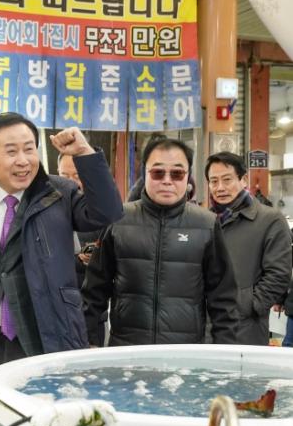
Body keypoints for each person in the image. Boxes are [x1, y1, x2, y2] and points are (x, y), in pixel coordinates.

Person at [0, 112, 123, 372]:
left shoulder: (59, 194)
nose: (23, 160)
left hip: (47, 341)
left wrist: (85, 153)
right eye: (11, 151)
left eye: (29, 149)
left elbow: (108, 213)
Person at [83, 138, 239, 347]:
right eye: (157, 173)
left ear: (188, 176)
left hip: (184, 352)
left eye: (177, 173)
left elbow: (223, 300)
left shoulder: (206, 224)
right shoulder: (118, 220)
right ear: (145, 173)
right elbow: (94, 291)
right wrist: (89, 342)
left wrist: (223, 351)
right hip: (127, 350)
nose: (167, 181)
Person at [206, 151, 291, 345]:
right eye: (214, 181)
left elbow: (278, 275)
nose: (220, 187)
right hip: (206, 330)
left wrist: (246, 306)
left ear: (243, 180)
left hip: (246, 330)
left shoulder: (271, 220)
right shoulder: (206, 220)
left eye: (227, 180)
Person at [57, 152, 105, 344]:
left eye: (77, 176)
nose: (71, 182)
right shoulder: (45, 212)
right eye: (64, 175)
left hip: (91, 317)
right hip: (55, 316)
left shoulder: (102, 214)